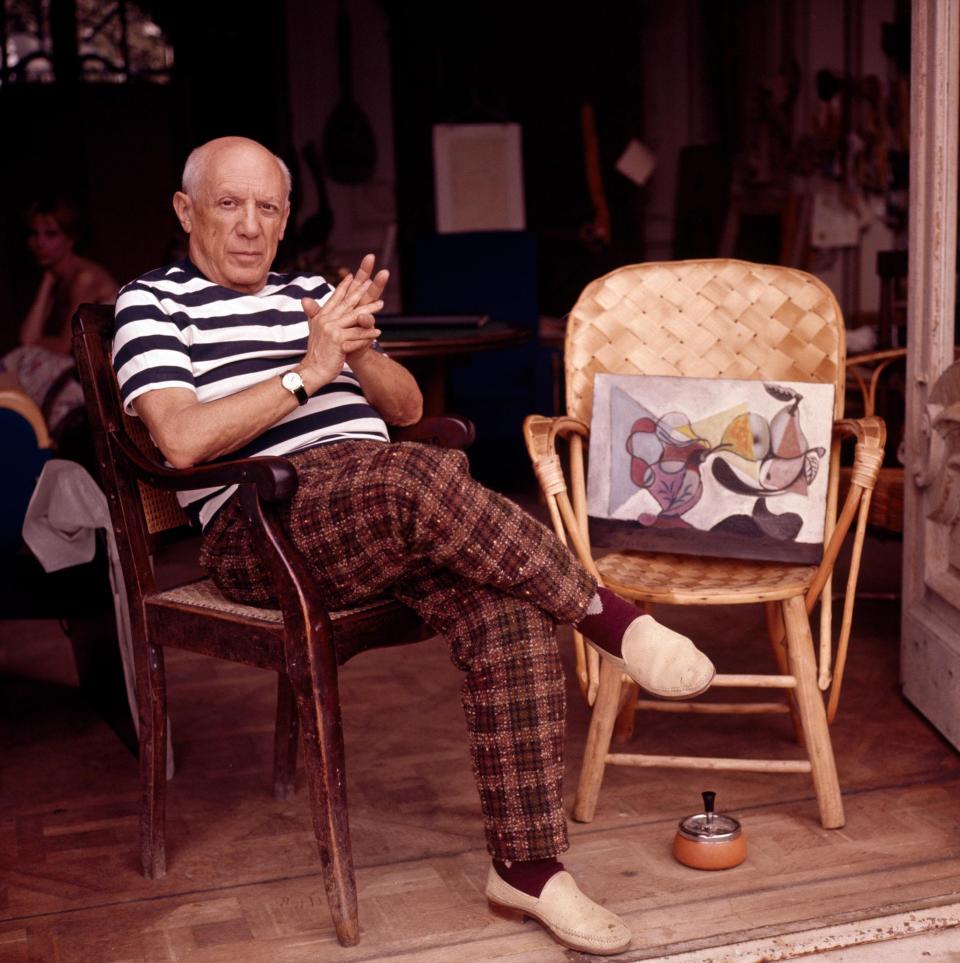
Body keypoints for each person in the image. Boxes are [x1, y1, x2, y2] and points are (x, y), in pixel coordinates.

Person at [112, 136, 715, 955]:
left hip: (380, 502)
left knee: (504, 601)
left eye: (268, 208)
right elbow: (179, 442)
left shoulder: (309, 294)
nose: (250, 226)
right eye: (228, 204)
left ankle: (529, 869)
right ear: (186, 211)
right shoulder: (151, 304)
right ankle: (610, 618)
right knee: (419, 478)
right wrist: (306, 372)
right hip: (263, 526)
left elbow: (398, 407)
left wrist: (357, 350)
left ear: (286, 220)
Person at [1, 197, 118, 446]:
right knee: (22, 358)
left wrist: (35, 346)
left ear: (70, 238)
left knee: (23, 360)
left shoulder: (84, 278)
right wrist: (47, 282)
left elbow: (67, 345)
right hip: (79, 369)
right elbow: (28, 337)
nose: (40, 243)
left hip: (106, 373)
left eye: (51, 234)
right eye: (34, 234)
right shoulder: (58, 279)